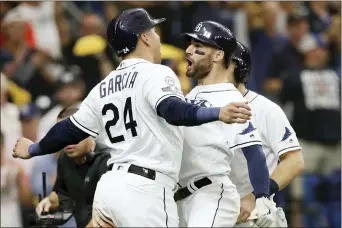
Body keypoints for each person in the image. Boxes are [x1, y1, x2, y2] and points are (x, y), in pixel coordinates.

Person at [12, 8, 252, 227]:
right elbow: (172, 110)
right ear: (144, 37)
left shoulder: (102, 87)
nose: (158, 38)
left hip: (109, 190)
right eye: (154, 31)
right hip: (145, 192)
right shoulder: (155, 73)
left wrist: (33, 149)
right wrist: (217, 113)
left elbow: (70, 129)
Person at [175, 21, 274, 227]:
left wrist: (262, 196)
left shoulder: (231, 98)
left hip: (211, 195)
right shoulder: (189, 96)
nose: (188, 50)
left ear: (219, 55)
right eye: (190, 44)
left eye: (198, 45)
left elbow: (254, 152)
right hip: (182, 198)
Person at [227, 41, 304, 227]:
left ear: (238, 68)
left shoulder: (265, 109)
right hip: (211, 213)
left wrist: (257, 195)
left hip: (253, 217)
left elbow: (294, 160)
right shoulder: (199, 108)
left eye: (223, 62)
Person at [35, 106, 110, 228]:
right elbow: (62, 195)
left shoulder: (107, 159)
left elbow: (109, 214)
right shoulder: (65, 159)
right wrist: (48, 202)